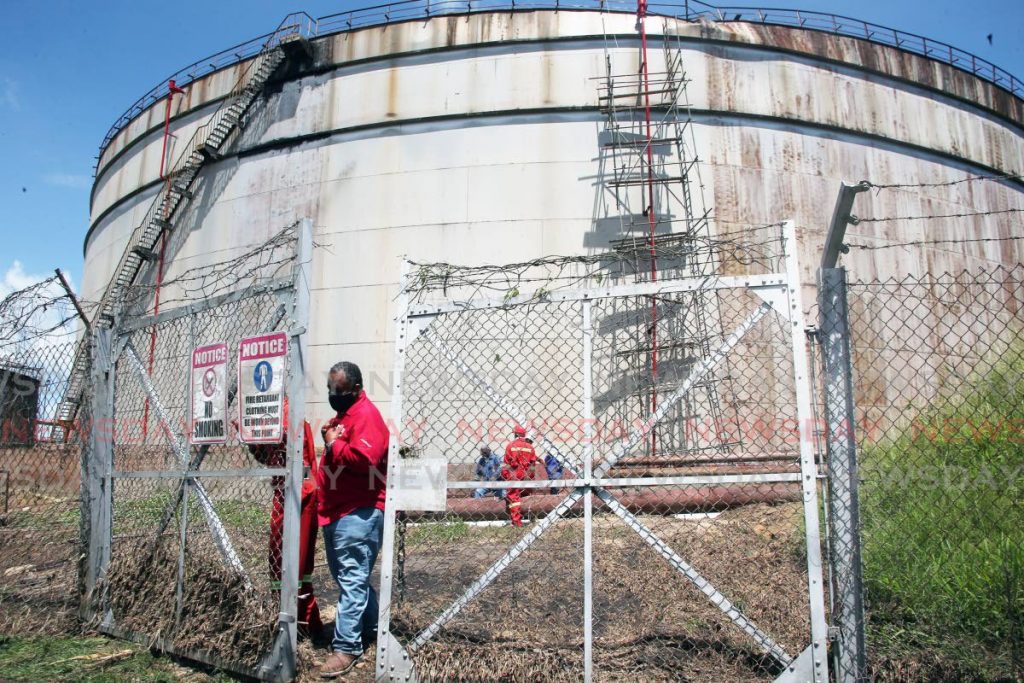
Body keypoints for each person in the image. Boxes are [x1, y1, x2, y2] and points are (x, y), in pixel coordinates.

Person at [318, 361, 389, 679]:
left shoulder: (366, 416)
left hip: (359, 511)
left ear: (357, 389)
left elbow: (366, 458)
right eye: (331, 389)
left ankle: (346, 647)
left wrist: (334, 443)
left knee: (351, 580)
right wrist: (331, 438)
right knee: (351, 579)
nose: (334, 394)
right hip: (337, 510)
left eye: (339, 390)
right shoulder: (343, 417)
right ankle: (373, 627)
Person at [247, 401, 323, 639]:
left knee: (291, 565)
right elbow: (269, 456)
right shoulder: (271, 410)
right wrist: (252, 440)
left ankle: (295, 623)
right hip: (288, 491)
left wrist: (254, 432)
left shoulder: (284, 411)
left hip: (299, 492)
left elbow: (289, 451)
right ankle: (298, 621)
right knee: (283, 561)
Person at [501, 425, 542, 527]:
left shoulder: (510, 446)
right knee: (526, 495)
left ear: (515, 434)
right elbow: (532, 465)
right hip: (526, 474)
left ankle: (516, 522)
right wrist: (531, 477)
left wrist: (506, 475)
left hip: (514, 473)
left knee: (514, 497)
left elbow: (506, 464)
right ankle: (530, 517)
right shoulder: (530, 447)